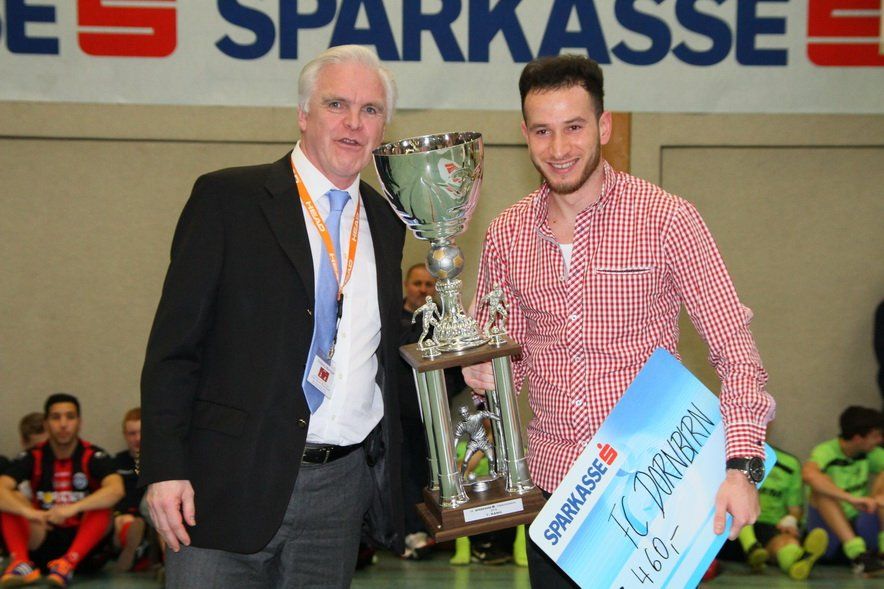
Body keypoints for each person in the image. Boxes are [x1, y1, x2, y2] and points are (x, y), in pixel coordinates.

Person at [462, 54, 775, 587]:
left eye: (574, 127)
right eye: (542, 131)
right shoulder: (506, 234)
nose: (558, 149)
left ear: (603, 126)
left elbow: (737, 353)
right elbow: (503, 355)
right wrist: (482, 371)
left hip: (652, 491)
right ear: (525, 134)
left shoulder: (667, 218)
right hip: (554, 497)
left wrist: (742, 467)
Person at [140, 44, 406, 587]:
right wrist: (164, 468)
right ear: (304, 114)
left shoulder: (386, 220)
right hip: (223, 485)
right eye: (336, 104)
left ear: (383, 128)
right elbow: (174, 348)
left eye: (371, 110)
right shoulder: (227, 199)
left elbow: (383, 349)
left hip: (339, 494)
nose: (353, 122)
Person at [0, 393, 124, 587]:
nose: (63, 424)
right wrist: (30, 513)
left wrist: (71, 509)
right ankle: (21, 563)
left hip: (85, 548)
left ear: (79, 423)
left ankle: (68, 563)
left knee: (103, 501)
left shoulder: (92, 455)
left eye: (70, 417)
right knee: (10, 497)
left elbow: (117, 489)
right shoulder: (34, 456)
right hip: (45, 536)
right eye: (56, 418)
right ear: (46, 423)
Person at [802, 405, 884, 576]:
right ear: (858, 438)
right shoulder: (826, 451)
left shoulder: (871, 453)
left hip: (859, 523)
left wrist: (877, 497)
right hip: (829, 531)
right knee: (820, 489)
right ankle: (858, 556)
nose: (880, 440)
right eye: (875, 436)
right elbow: (808, 475)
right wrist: (850, 498)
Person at [732, 446, 828, 580]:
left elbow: (795, 509)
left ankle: (798, 561)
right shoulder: (726, 454)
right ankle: (751, 547)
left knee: (787, 542)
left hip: (769, 527)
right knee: (737, 504)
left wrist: (791, 520)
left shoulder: (789, 463)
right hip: (729, 529)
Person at [111, 407, 150, 573]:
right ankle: (130, 546)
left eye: (142, 433)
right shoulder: (116, 462)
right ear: (125, 435)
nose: (138, 438)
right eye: (132, 433)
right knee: (121, 520)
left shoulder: (157, 463)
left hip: (146, 518)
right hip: (120, 515)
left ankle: (131, 546)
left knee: (138, 523)